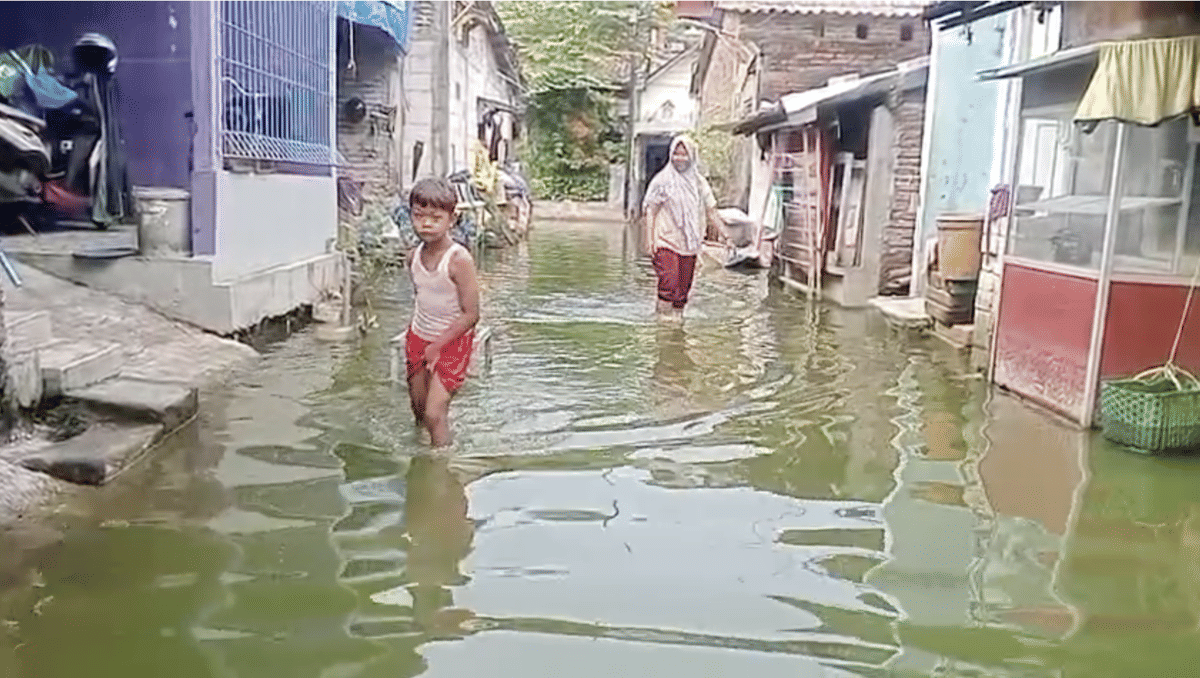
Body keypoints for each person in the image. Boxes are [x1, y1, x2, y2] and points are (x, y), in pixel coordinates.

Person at [404, 177, 481, 447]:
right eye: (418, 216)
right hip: (418, 337)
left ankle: (440, 470)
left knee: (435, 414)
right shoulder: (412, 256)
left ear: (452, 218)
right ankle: (418, 454)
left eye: (435, 217)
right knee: (418, 407)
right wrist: (418, 340)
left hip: (451, 341)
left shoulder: (459, 260)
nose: (426, 223)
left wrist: (437, 346)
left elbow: (471, 314)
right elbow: (421, 298)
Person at [642, 134, 727, 320]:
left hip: (689, 243)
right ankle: (662, 324)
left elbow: (711, 210)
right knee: (669, 283)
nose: (679, 158)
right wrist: (649, 240)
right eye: (676, 154)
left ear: (692, 156)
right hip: (665, 240)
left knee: (683, 290)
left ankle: (677, 322)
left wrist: (726, 235)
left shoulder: (699, 183)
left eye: (684, 154)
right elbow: (651, 211)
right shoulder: (662, 181)